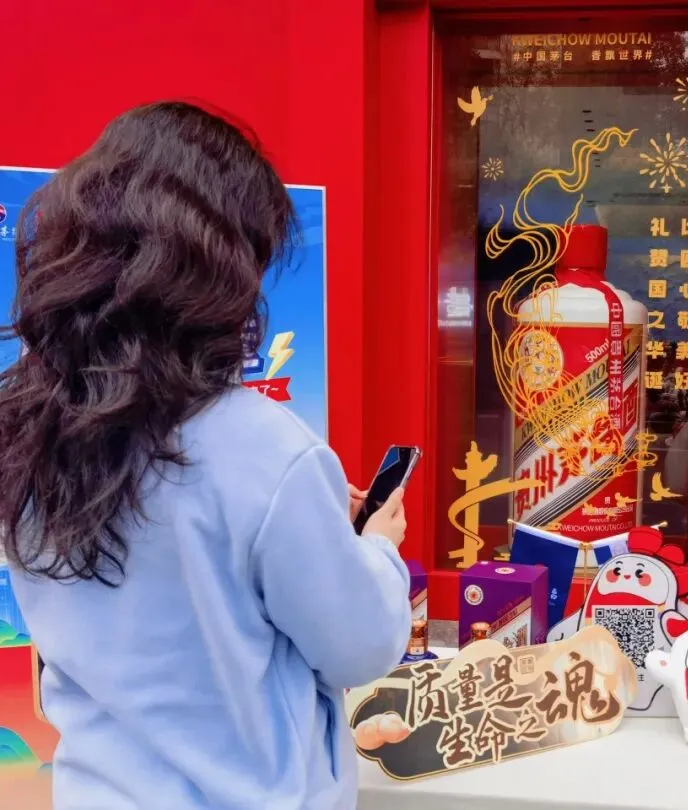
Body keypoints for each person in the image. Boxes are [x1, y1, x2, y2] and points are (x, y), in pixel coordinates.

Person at [0, 102, 412, 809]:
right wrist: (376, 547)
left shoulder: (26, 427)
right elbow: (359, 645)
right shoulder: (262, 446)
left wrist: (308, 522)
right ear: (220, 267)